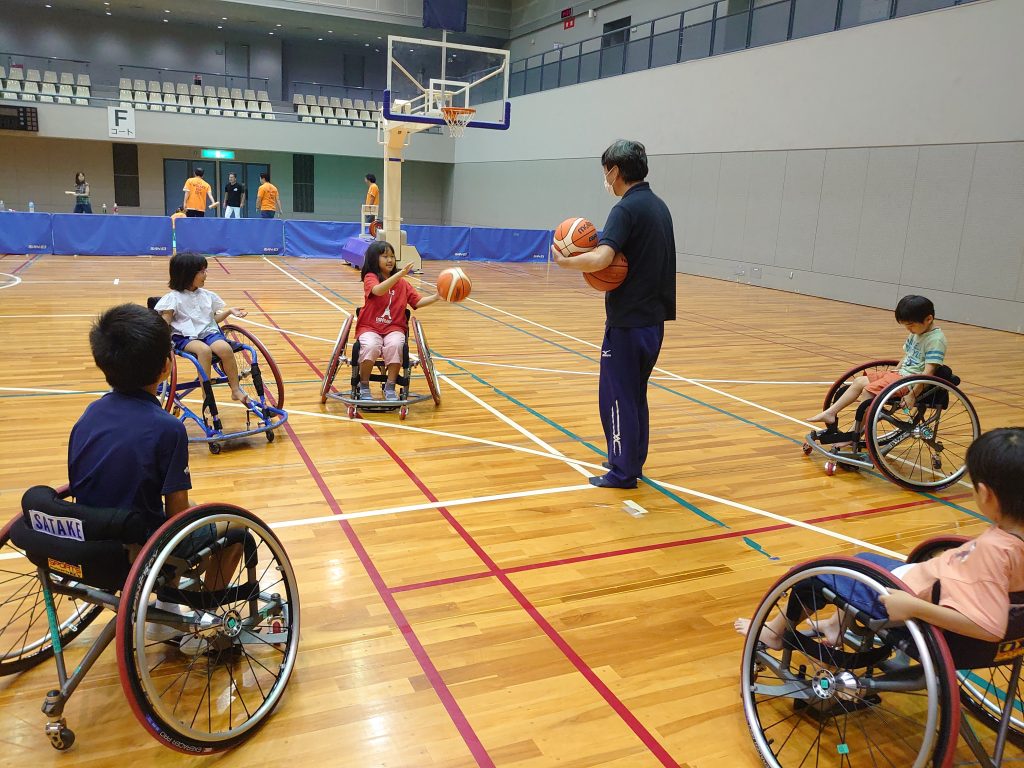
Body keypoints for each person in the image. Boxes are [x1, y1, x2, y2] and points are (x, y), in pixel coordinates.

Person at [736, 427, 1024, 647]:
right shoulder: (1009, 540)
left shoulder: (994, 550)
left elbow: (989, 626)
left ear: (985, 495)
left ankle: (775, 632)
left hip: (903, 598)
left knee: (814, 574)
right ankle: (837, 625)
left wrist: (913, 607)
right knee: (861, 561)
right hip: (923, 582)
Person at [71, 303, 242, 626]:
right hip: (140, 549)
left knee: (166, 509)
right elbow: (177, 515)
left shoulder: (88, 415)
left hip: (92, 539)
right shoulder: (167, 428)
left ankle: (168, 603)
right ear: (167, 367)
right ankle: (201, 619)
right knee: (235, 528)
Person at [551, 139, 676, 489]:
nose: (606, 177)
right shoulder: (659, 206)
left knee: (617, 396)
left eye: (606, 170)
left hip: (628, 322)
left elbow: (603, 259)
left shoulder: (626, 209)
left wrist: (566, 261)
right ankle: (630, 459)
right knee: (636, 394)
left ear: (616, 170)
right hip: (653, 322)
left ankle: (622, 472)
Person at [809, 295, 946, 426]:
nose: (908, 329)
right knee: (859, 382)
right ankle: (830, 413)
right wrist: (896, 370)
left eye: (910, 325)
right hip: (900, 375)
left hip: (910, 381)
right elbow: (907, 356)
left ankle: (855, 432)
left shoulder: (936, 340)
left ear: (928, 319)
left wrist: (913, 395)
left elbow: (929, 372)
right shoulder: (917, 333)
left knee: (868, 391)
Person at [153, 251, 251, 406]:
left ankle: (235, 389)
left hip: (207, 333)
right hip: (184, 337)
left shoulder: (207, 295)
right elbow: (165, 322)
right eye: (202, 271)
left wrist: (228, 311)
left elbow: (212, 320)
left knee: (225, 348)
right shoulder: (173, 298)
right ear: (187, 274)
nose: (206, 274)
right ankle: (207, 396)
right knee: (203, 351)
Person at [355, 240, 439, 401]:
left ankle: (390, 386)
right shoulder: (371, 277)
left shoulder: (403, 284)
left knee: (395, 345)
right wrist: (399, 275)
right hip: (370, 327)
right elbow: (378, 291)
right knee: (371, 346)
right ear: (374, 259)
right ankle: (364, 384)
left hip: (394, 327)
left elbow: (417, 302)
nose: (390, 260)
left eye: (392, 256)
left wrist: (437, 297)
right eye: (385, 256)